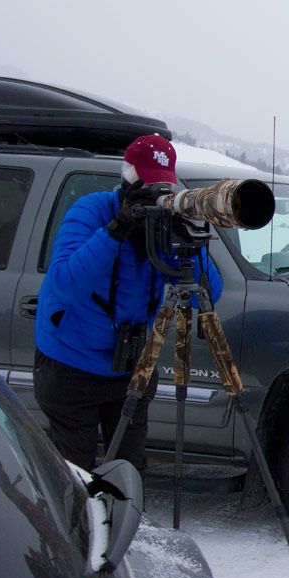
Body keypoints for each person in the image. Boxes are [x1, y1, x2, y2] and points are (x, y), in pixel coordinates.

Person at [34, 135, 223, 472]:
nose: (153, 193)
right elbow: (66, 282)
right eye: (145, 184)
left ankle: (124, 522)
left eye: (161, 186)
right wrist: (117, 228)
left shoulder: (162, 228)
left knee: (128, 469)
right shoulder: (91, 210)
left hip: (132, 367)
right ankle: (75, 525)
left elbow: (209, 292)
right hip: (71, 365)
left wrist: (185, 239)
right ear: (127, 177)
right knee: (74, 473)